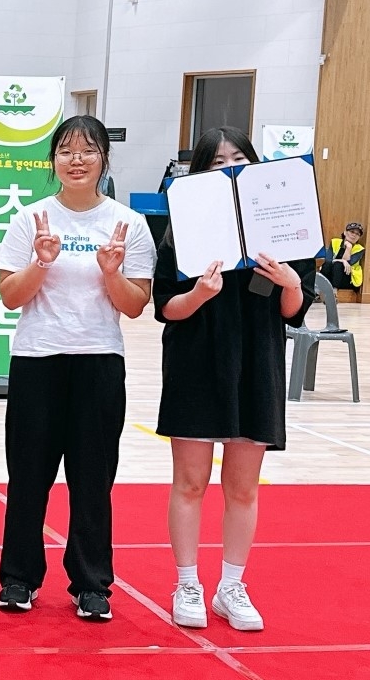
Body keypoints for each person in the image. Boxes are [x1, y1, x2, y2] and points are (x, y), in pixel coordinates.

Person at [0, 115, 155, 622]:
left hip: (99, 363)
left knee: (92, 480)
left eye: (88, 150)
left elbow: (134, 306)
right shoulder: (29, 219)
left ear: (104, 158)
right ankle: (18, 578)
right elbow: (9, 295)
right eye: (65, 150)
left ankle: (91, 584)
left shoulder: (128, 223)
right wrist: (40, 263)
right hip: (38, 359)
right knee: (28, 477)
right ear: (53, 161)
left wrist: (111, 273)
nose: (77, 159)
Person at [154, 126, 316, 632]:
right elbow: (166, 308)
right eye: (216, 161)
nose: (228, 167)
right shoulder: (184, 225)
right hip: (196, 361)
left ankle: (231, 586)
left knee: (243, 487)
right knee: (191, 481)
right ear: (199, 172)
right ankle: (187, 583)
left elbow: (294, 311)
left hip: (256, 362)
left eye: (238, 158)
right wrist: (201, 293)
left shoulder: (284, 225)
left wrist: (289, 281)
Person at [320, 222, 363, 291]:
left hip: (348, 278)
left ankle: (334, 292)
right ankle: (320, 290)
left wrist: (349, 248)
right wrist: (343, 261)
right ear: (345, 233)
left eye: (357, 234)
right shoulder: (335, 242)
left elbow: (348, 264)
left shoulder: (359, 249)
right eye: (352, 232)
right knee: (327, 265)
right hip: (333, 275)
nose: (354, 235)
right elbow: (328, 260)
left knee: (338, 265)